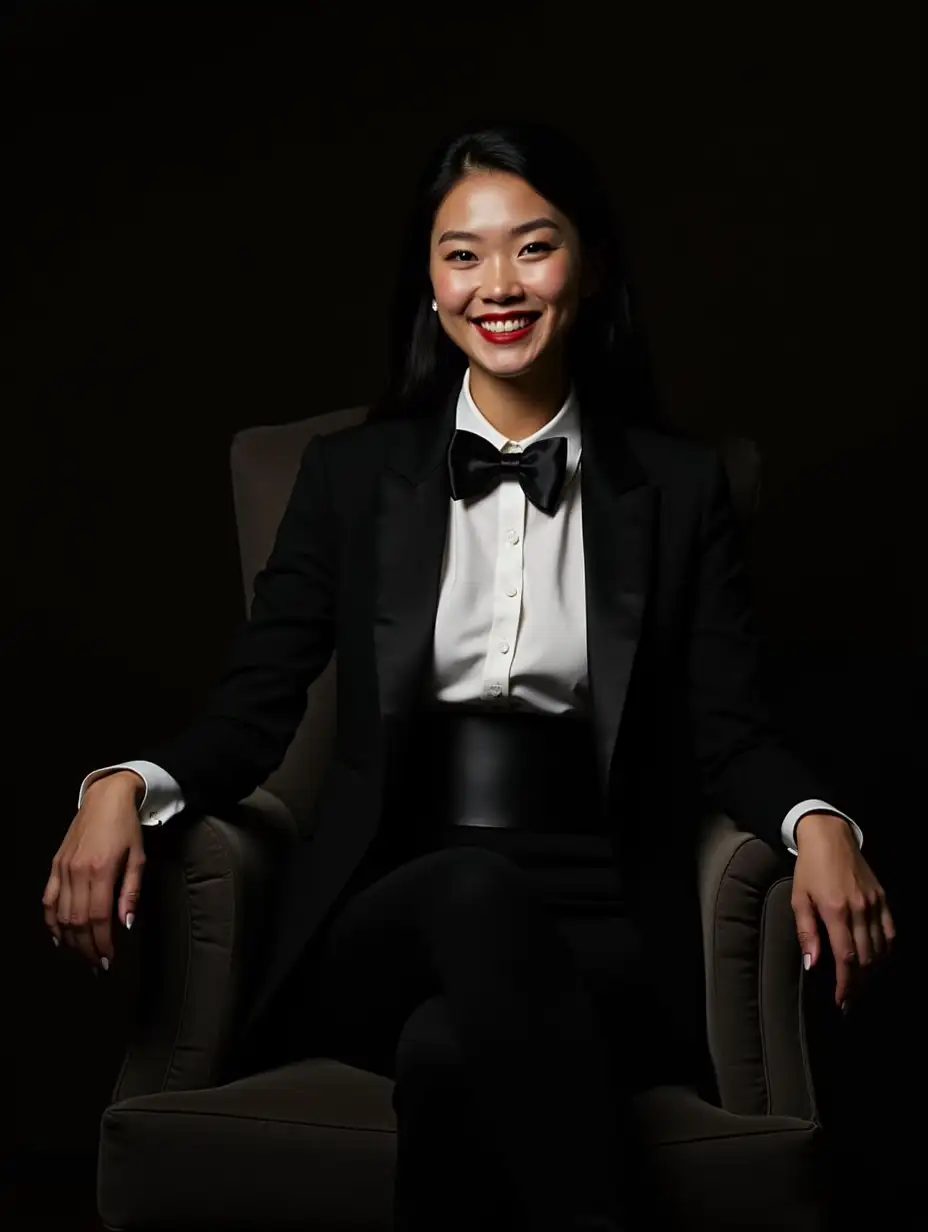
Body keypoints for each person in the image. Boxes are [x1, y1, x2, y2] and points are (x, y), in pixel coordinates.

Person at [43, 121, 895, 1231]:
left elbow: (730, 728)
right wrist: (119, 782)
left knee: (452, 1056)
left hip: (605, 922)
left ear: (585, 268)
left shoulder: (678, 490)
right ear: (430, 288)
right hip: (387, 913)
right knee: (469, 891)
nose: (498, 283)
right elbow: (252, 710)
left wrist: (817, 819)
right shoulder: (349, 478)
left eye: (532, 248)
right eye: (462, 254)